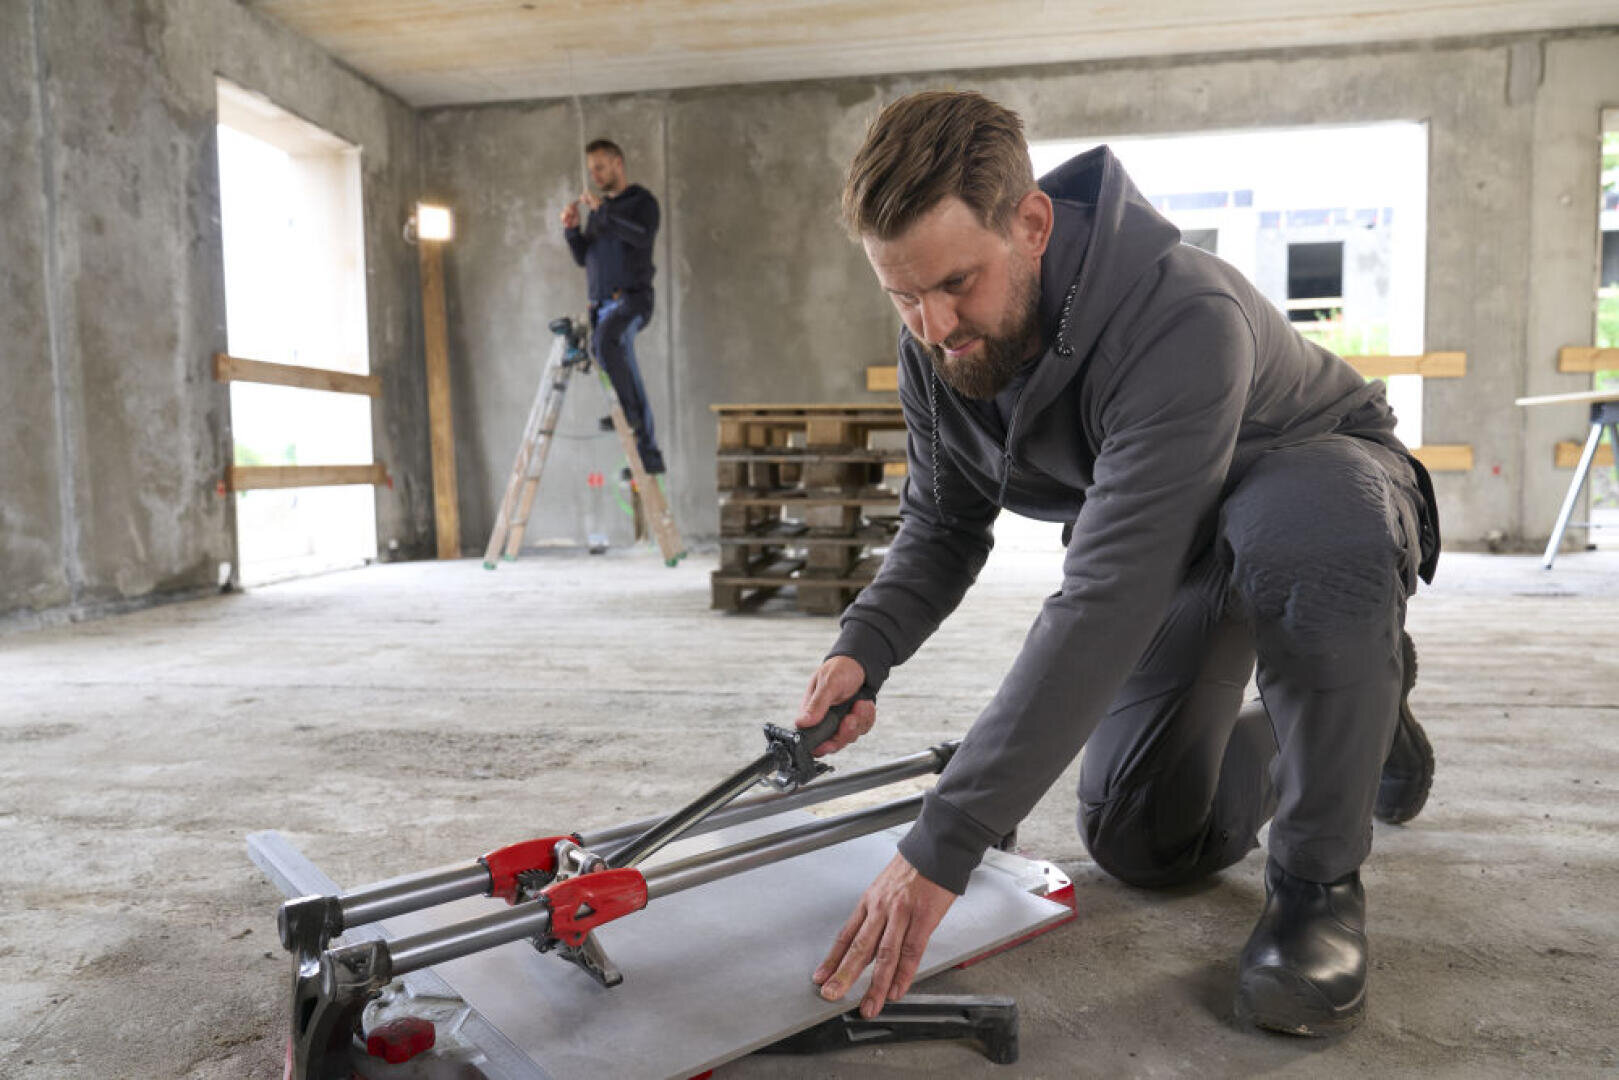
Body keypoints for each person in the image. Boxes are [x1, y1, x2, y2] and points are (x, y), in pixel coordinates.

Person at [796, 90, 1439, 1037]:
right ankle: (1362, 712)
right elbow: (940, 523)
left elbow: (1105, 595)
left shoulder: (1180, 312)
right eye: (903, 293)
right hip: (1188, 538)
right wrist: (866, 648)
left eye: (956, 285)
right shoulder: (935, 344)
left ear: (1031, 223)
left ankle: (1316, 888)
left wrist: (947, 839)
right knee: (1143, 837)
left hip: (1319, 483)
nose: (933, 325)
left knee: (1301, 531)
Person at [560, 138, 665, 474]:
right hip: (602, 306)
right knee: (613, 354)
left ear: (618, 163)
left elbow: (640, 236)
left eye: (601, 167)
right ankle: (645, 452)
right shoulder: (601, 211)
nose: (596, 175)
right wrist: (572, 230)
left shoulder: (641, 202)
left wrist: (604, 212)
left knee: (605, 343)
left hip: (632, 301)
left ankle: (632, 417)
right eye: (592, 170)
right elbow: (584, 257)